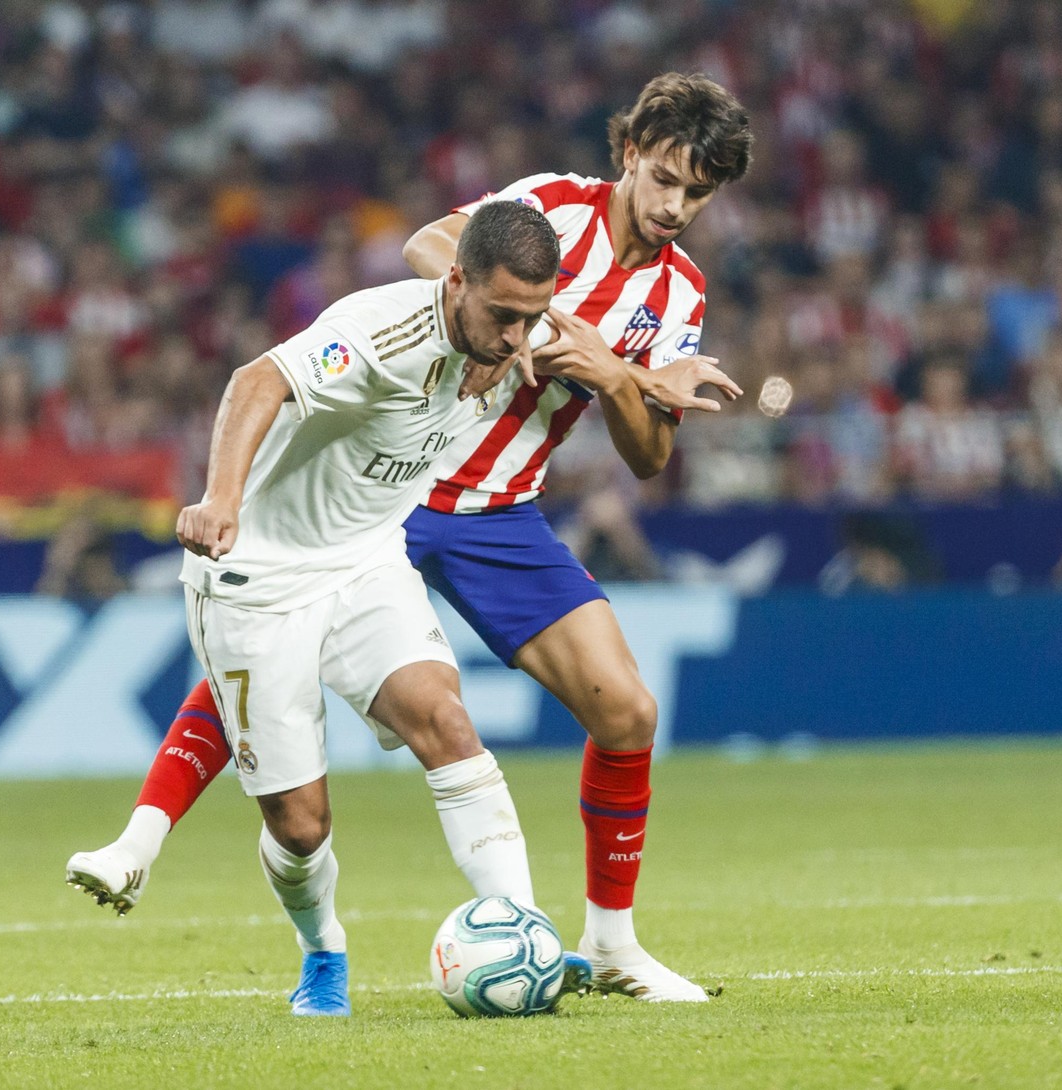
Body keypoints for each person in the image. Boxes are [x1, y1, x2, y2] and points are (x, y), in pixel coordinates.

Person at [68, 72, 752, 1003]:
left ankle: (614, 942)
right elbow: (436, 246)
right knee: (275, 649)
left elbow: (646, 455)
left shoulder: (681, 293)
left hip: (499, 511)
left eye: (699, 192)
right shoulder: (552, 207)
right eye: (666, 177)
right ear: (630, 152)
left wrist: (618, 378)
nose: (677, 205)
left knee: (627, 711)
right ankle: (156, 842)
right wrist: (574, 336)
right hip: (397, 478)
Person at [70, 200, 577, 1018]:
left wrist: (645, 381)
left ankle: (526, 932)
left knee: (444, 720)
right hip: (258, 574)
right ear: (455, 282)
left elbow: (572, 346)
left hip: (367, 560)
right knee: (302, 828)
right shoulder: (382, 333)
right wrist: (221, 498)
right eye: (504, 317)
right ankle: (323, 951)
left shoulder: (514, 335)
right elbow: (255, 381)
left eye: (533, 319)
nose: (519, 339)